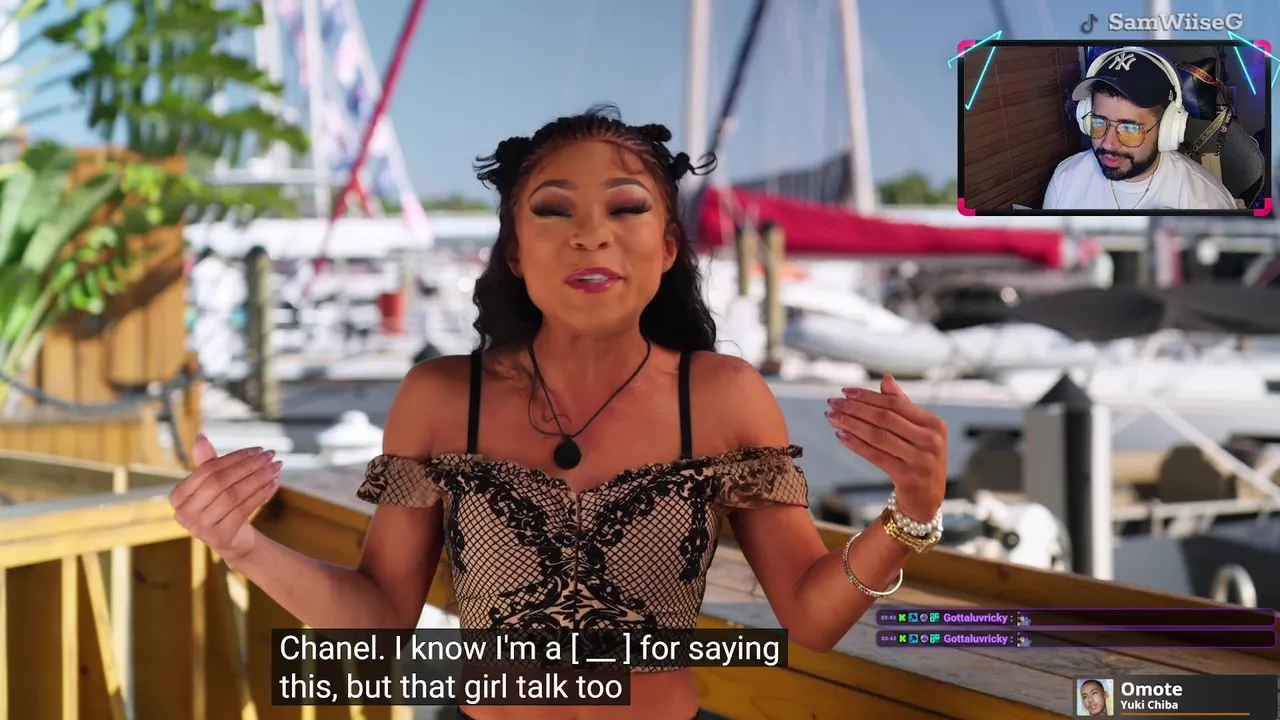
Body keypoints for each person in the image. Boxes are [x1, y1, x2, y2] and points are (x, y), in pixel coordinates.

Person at [167, 105, 949, 720]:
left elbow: (811, 618)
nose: (590, 235)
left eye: (626, 207)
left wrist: (912, 513)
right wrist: (242, 547)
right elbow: (380, 623)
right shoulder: (441, 397)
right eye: (553, 211)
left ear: (667, 246)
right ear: (513, 250)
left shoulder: (722, 396)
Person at [1043, 47, 1236, 211]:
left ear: (1167, 128)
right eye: (1099, 122)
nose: (1108, 144)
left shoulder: (1206, 202)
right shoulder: (1066, 179)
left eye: (1129, 128)